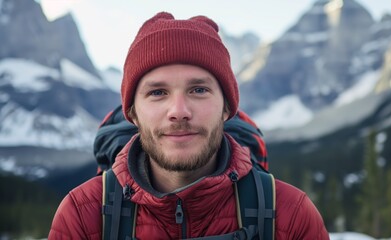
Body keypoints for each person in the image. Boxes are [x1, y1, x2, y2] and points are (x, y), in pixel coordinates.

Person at [48, 12, 329, 239]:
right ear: (132, 113)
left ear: (228, 108)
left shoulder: (291, 215)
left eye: (198, 90)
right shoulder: (82, 216)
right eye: (157, 92)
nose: (179, 112)